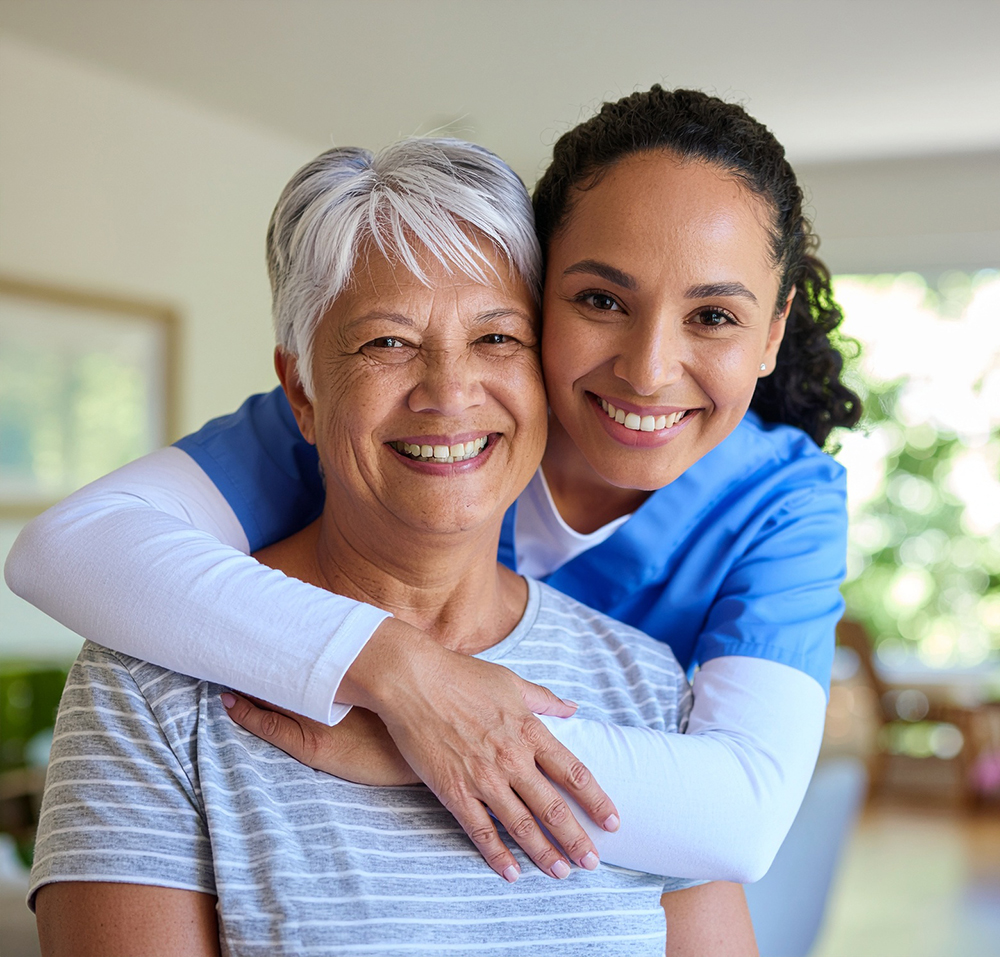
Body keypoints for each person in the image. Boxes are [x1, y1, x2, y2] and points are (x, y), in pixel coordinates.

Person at [6, 87, 860, 884]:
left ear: (773, 329)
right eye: (601, 299)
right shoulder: (396, 419)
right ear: (538, 287)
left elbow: (741, 816)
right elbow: (67, 548)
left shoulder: (781, 499)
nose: (647, 369)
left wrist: (425, 743)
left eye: (714, 316)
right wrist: (402, 676)